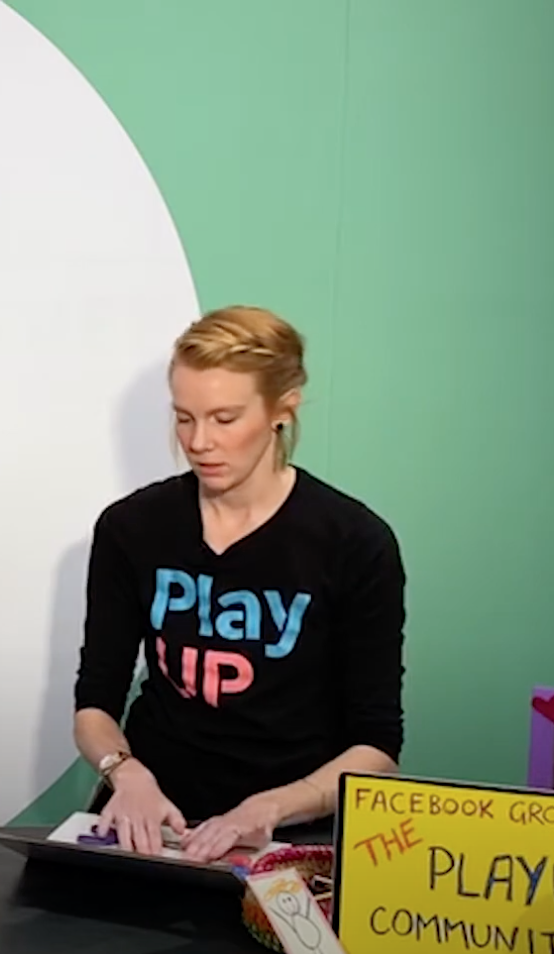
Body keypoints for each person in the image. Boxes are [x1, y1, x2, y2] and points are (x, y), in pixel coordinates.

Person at [72, 306, 407, 862]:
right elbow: (94, 705)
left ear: (283, 409)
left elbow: (376, 747)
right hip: (153, 818)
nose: (199, 441)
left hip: (288, 829)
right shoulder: (130, 527)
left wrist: (270, 809)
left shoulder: (354, 541)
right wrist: (125, 774)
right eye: (184, 418)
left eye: (224, 419)